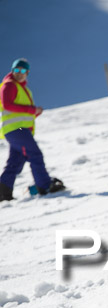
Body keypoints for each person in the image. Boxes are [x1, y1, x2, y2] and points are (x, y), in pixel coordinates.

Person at [0, 58, 64, 202]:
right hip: (17, 130)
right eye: (16, 70)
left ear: (27, 73)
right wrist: (31, 109)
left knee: (15, 162)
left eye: (23, 71)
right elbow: (8, 105)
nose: (19, 73)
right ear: (12, 71)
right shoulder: (9, 85)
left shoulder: (24, 89)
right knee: (35, 154)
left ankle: (3, 192)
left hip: (19, 130)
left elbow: (20, 112)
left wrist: (35, 112)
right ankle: (45, 186)